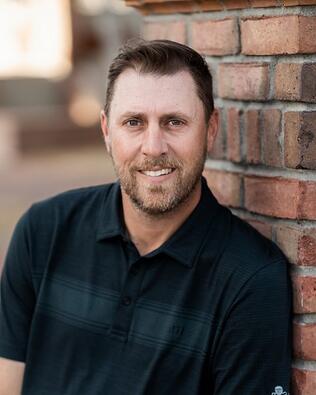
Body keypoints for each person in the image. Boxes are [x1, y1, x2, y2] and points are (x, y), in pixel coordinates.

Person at [0, 40, 292, 395]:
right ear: (107, 131)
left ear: (210, 129)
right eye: (134, 122)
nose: (154, 147)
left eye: (174, 122)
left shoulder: (250, 277)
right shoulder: (43, 231)